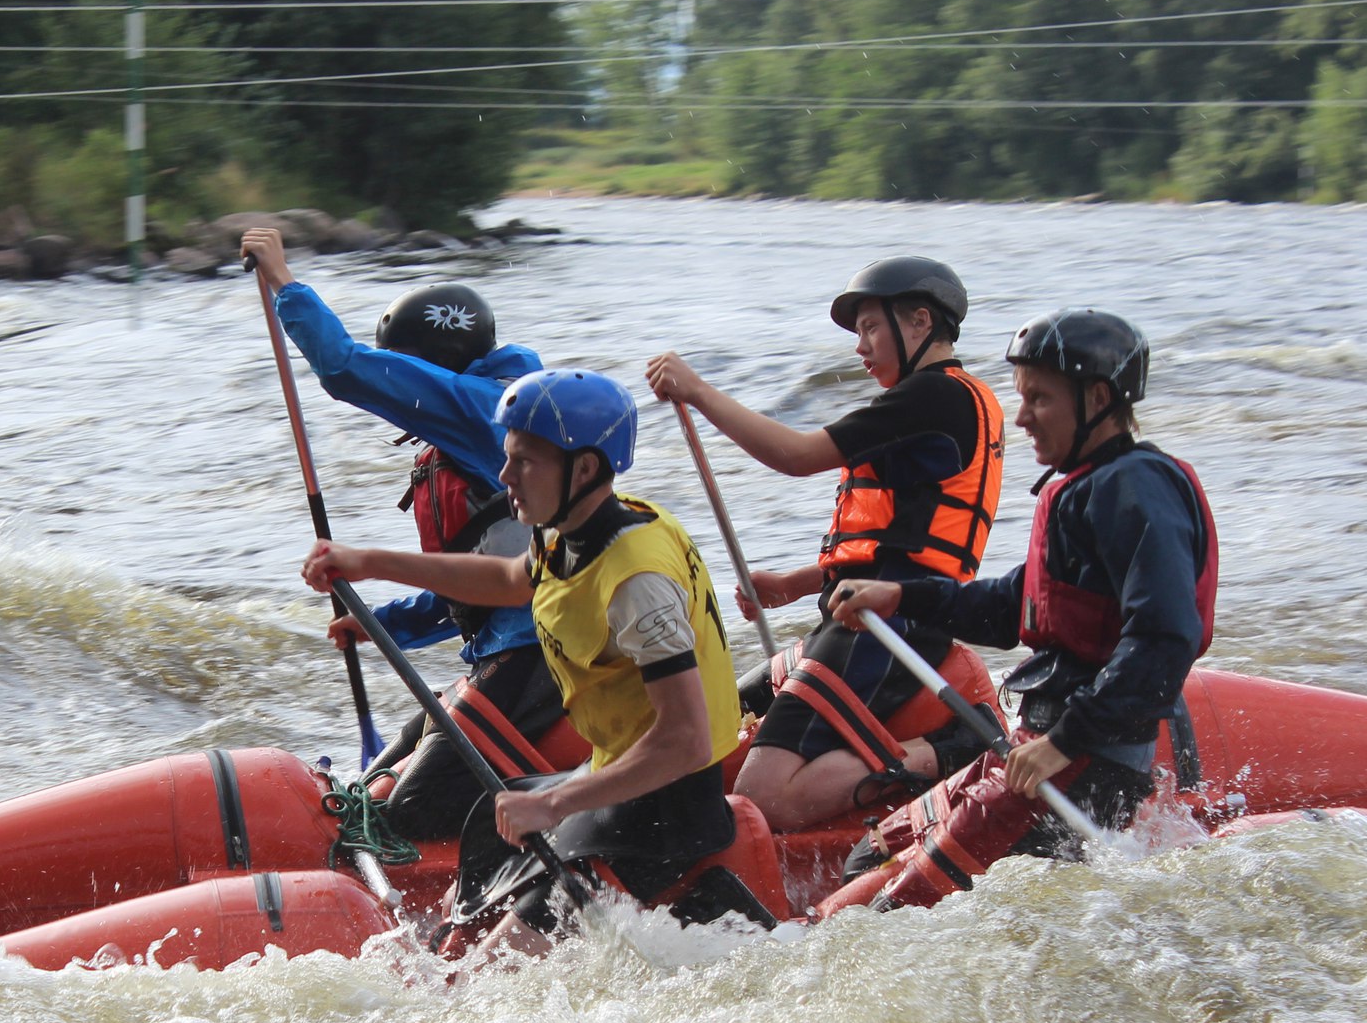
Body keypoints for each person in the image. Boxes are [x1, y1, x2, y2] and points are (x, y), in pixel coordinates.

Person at [303, 369, 770, 939]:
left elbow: (686, 740)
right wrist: (368, 563)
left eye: (524, 461)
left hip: (667, 814)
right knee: (483, 836)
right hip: (613, 779)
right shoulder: (572, 527)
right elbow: (506, 578)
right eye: (507, 458)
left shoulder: (637, 582)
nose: (505, 477)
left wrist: (555, 806)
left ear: (586, 467)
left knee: (497, 963)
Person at [822, 309, 1216, 913]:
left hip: (1084, 761)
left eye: (1040, 400)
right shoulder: (1083, 485)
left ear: (1099, 398)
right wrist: (900, 595)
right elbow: (1014, 605)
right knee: (870, 854)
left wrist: (1064, 741)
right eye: (1021, 398)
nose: (1023, 416)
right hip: (1040, 745)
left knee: (892, 915)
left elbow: (1165, 639)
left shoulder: (1135, 487)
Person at [645, 255, 1005, 830]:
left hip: (890, 630)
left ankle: (955, 746)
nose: (860, 346)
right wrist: (795, 583)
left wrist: (700, 390)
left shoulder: (936, 398)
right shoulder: (933, 404)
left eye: (869, 328)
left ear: (919, 322)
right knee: (715, 719)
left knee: (766, 798)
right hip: (860, 615)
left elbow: (797, 456)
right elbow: (902, 545)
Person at [239, 225, 559, 844]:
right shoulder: (479, 420)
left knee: (406, 816)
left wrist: (283, 281)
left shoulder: (487, 409)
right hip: (504, 649)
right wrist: (387, 624)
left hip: (542, 654)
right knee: (374, 786)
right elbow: (485, 573)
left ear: (434, 366)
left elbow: (344, 367)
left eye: (414, 370)